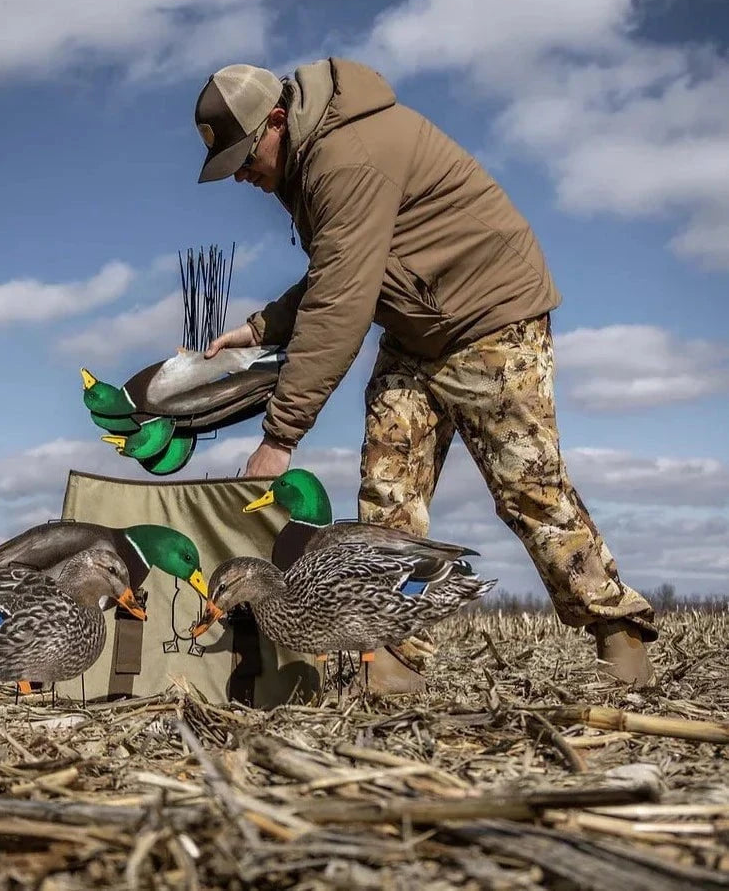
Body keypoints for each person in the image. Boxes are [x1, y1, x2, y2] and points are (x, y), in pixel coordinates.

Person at [195, 58, 656, 690]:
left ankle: (617, 631)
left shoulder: (346, 157)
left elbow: (342, 299)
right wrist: (260, 328)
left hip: (490, 318)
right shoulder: (311, 161)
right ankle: (390, 659)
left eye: (246, 158)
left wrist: (280, 437)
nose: (243, 176)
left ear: (277, 120)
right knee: (386, 497)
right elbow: (339, 268)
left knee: (528, 489)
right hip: (417, 330)